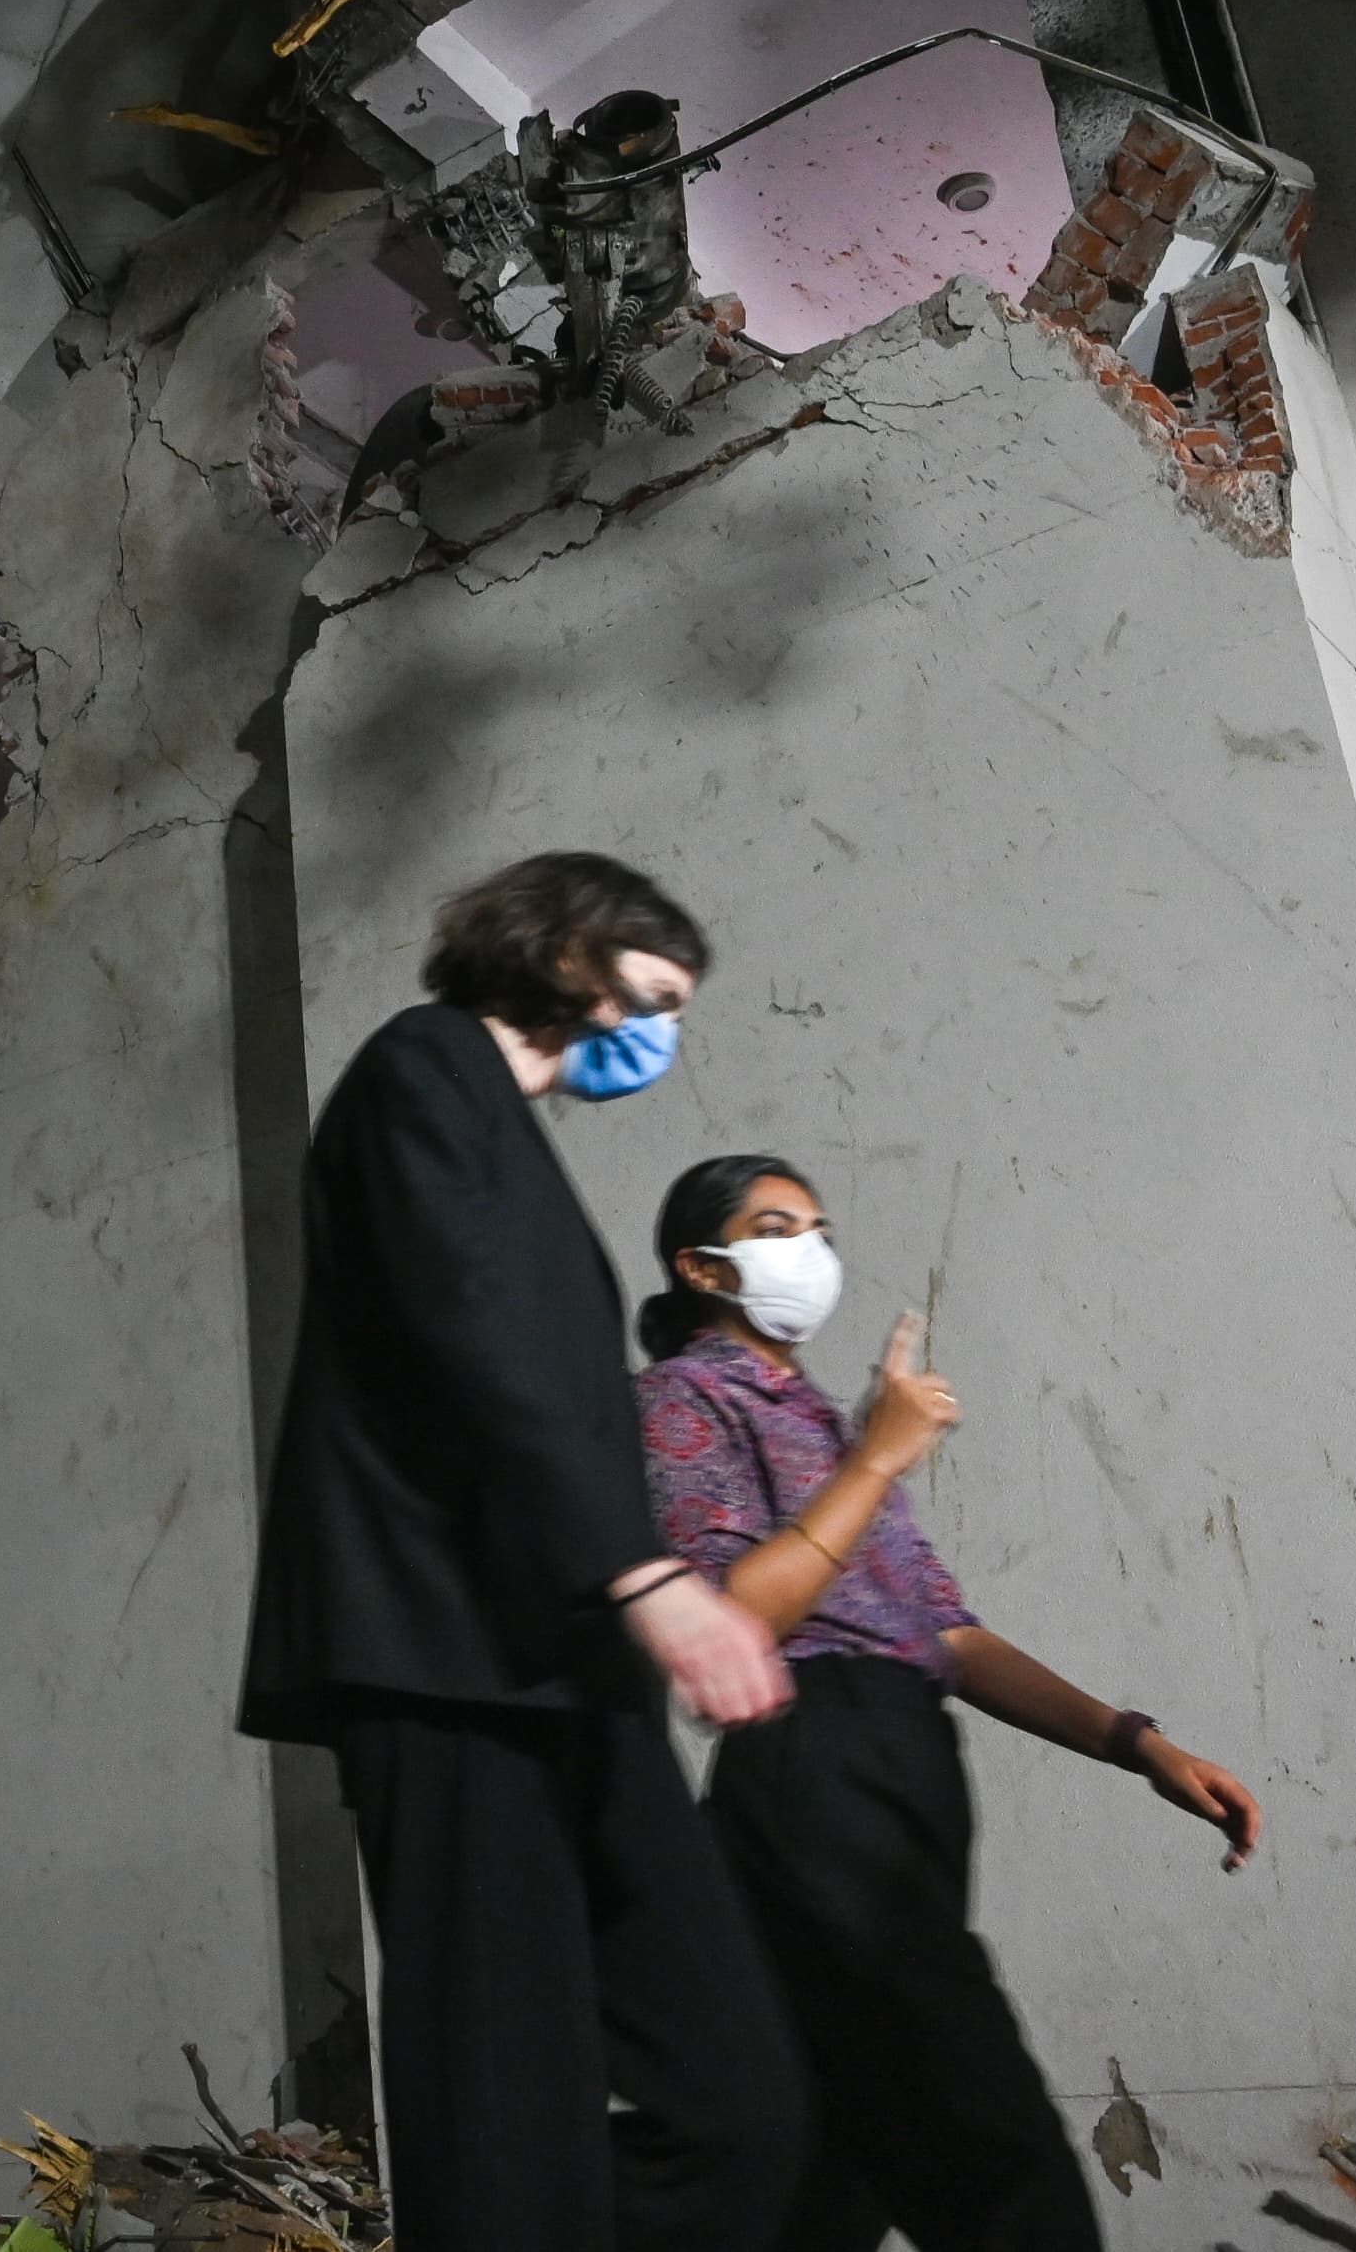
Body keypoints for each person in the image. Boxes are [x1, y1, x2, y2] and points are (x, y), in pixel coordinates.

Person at [238, 853, 808, 2252]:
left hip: (565, 1665)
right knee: (506, 2104)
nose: (659, 1035)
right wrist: (652, 1576)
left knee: (744, 2099)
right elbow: (470, 1324)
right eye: (654, 996)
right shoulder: (420, 1069)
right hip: (448, 1661)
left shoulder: (499, 1123)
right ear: (569, 954)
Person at [632, 1153, 1264, 2252]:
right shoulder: (680, 1402)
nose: (809, 1252)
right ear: (700, 1266)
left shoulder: (829, 1425)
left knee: (815, 2151)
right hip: (811, 1761)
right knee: (976, 2123)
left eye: (819, 1230)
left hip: (902, 1761)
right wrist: (877, 1457)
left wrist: (1136, 1742)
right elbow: (734, 1616)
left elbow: (945, 1631)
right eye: (775, 1227)